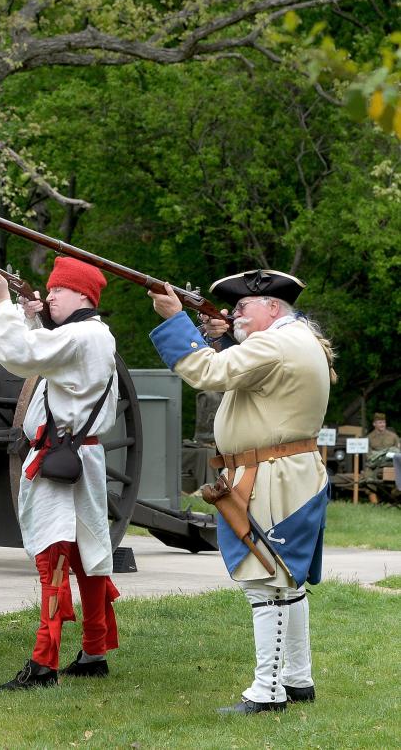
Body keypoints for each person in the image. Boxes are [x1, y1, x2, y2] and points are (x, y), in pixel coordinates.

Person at [149, 268, 332, 714]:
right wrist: (230, 338)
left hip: (270, 472)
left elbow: (208, 372)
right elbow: (254, 378)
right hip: (284, 470)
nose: (234, 315)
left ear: (273, 307)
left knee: (265, 581)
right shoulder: (289, 340)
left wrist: (176, 320)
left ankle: (267, 692)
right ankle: (296, 679)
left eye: (242, 307)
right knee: (286, 581)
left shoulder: (275, 343)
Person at [0, 257, 121, 690]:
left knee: (53, 560)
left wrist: (4, 302)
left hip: (60, 460)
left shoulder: (81, 334)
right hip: (80, 457)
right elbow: (51, 359)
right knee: (87, 556)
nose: (51, 295)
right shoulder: (91, 335)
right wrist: (30, 318)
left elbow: (20, 356)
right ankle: (94, 649)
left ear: (82, 295)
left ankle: (43, 664)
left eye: (59, 290)